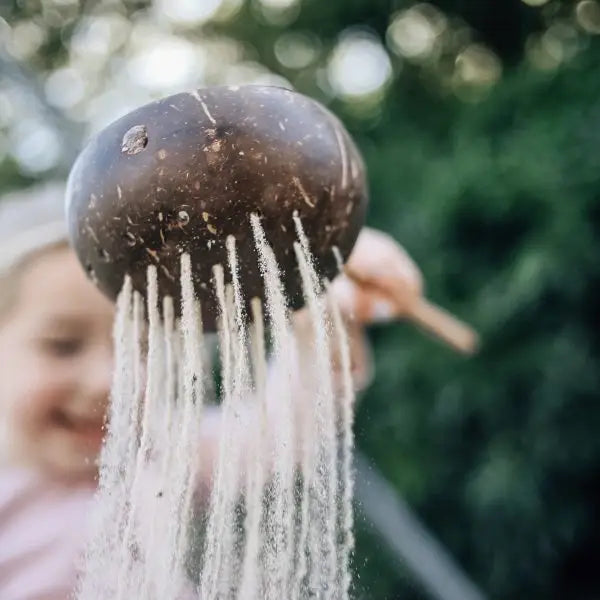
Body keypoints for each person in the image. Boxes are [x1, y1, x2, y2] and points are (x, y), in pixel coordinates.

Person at [0, 182, 422, 599]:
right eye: (62, 345)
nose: (108, 381)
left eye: (140, 349)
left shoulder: (153, 454)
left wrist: (328, 300)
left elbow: (276, 431)